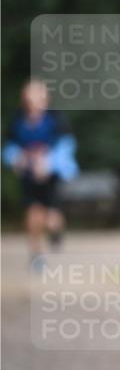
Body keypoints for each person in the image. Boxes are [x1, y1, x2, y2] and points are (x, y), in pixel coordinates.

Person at [3, 78, 78, 264]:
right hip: (29, 176)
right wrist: (16, 158)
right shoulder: (18, 121)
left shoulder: (55, 119)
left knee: (51, 218)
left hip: (51, 176)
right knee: (32, 215)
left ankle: (55, 232)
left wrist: (47, 163)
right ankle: (36, 254)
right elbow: (9, 147)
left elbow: (66, 146)